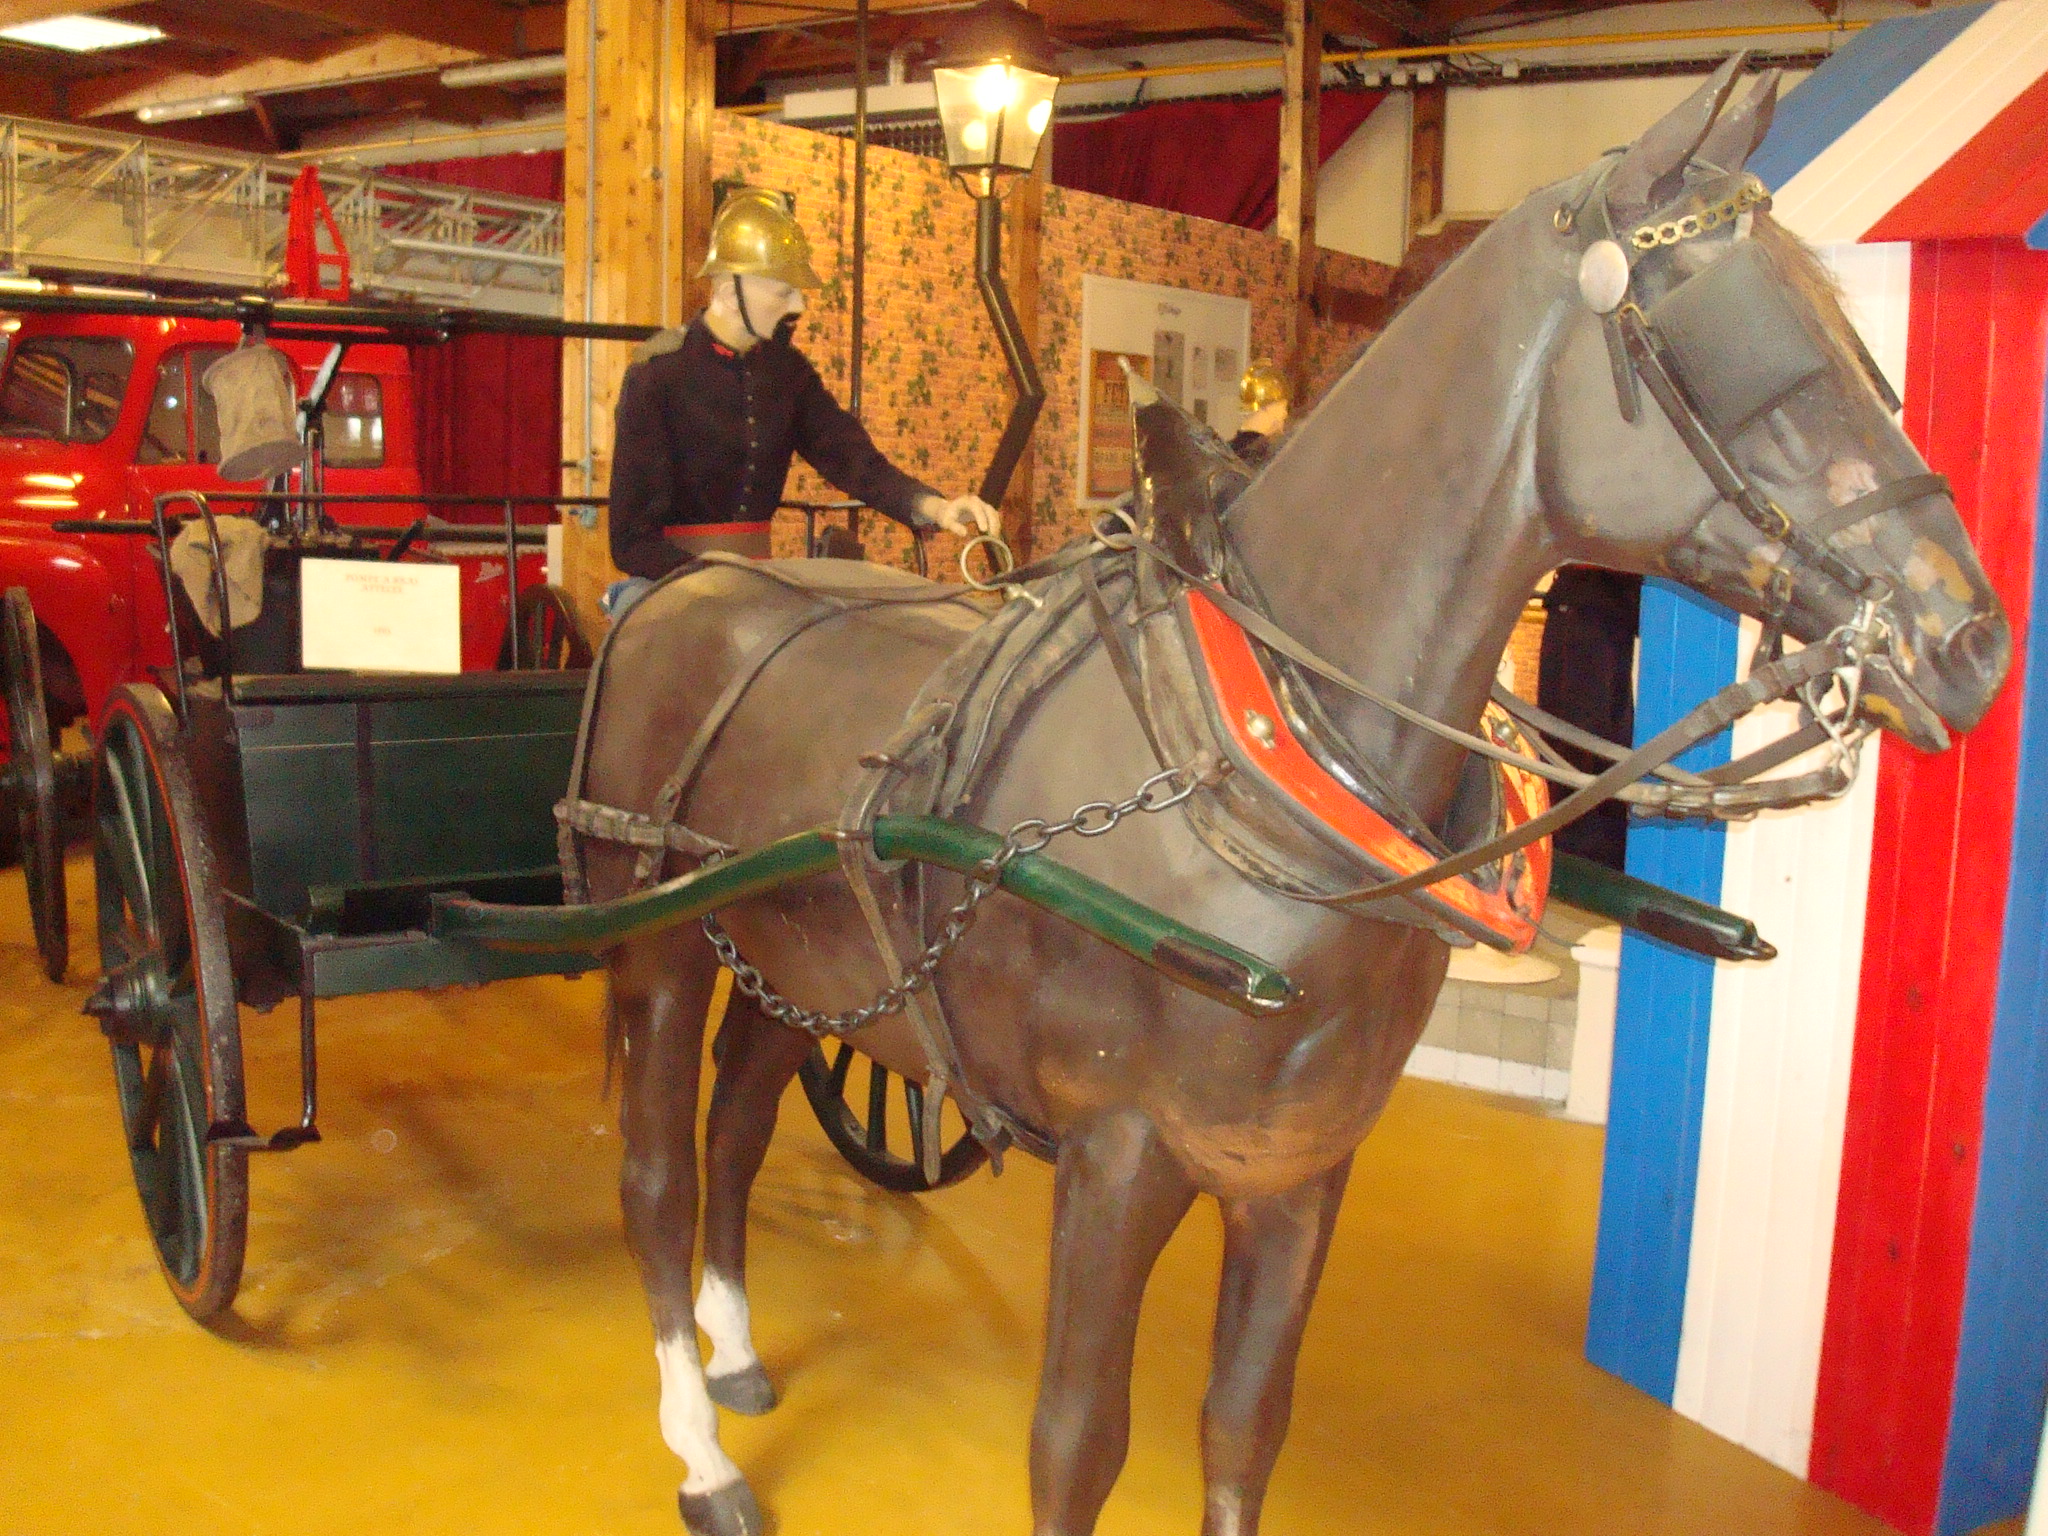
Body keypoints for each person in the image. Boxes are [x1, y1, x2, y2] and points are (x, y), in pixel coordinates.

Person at [606, 188, 996, 608]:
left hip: (756, 580)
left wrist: (934, 507)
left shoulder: (787, 373)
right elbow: (630, 541)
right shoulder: (658, 374)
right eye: (782, 292)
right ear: (727, 294)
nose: (799, 304)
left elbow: (854, 461)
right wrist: (713, 580)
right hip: (670, 585)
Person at [1536, 566, 1643, 872]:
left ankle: (1585, 842)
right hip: (1591, 604)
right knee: (1578, 728)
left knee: (1590, 728)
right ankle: (1576, 843)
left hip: (1601, 607)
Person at [1231, 359, 1289, 466]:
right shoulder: (1260, 453)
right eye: (1282, 407)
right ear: (1267, 407)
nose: (1285, 413)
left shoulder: (1231, 449)